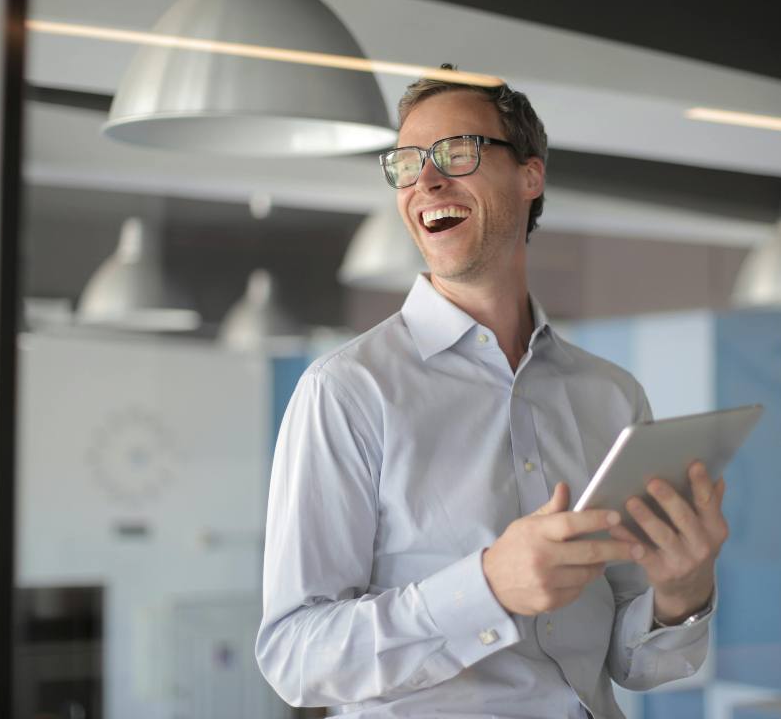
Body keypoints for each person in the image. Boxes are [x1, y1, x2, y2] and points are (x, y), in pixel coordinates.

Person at [255, 70, 729, 718]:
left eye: (456, 152)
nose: (426, 181)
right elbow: (296, 657)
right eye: (407, 163)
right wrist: (484, 589)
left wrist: (682, 590)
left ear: (530, 176)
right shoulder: (345, 391)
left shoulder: (611, 396)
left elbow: (632, 665)